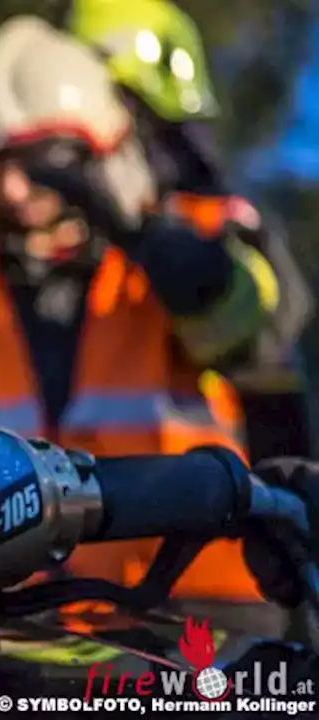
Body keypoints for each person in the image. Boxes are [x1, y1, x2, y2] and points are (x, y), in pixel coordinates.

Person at [0, 16, 286, 615]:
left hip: (202, 616)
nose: (12, 189)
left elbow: (250, 337)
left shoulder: (196, 241)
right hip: (22, 625)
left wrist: (141, 231)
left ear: (98, 149)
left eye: (38, 160)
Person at [65, 0, 314, 463]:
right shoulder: (75, 246)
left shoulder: (225, 224)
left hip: (226, 527)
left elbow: (257, 333)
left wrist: (144, 234)